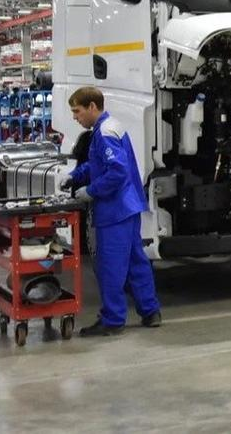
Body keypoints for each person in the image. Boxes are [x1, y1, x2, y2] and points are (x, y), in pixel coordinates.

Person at [60, 86, 161, 337]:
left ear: (92, 107)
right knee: (136, 262)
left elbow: (117, 172)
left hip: (115, 211)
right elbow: (98, 165)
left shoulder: (104, 132)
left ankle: (113, 320)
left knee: (110, 266)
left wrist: (91, 191)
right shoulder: (109, 127)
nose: (75, 117)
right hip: (128, 207)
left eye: (77, 111)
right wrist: (75, 176)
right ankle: (150, 312)